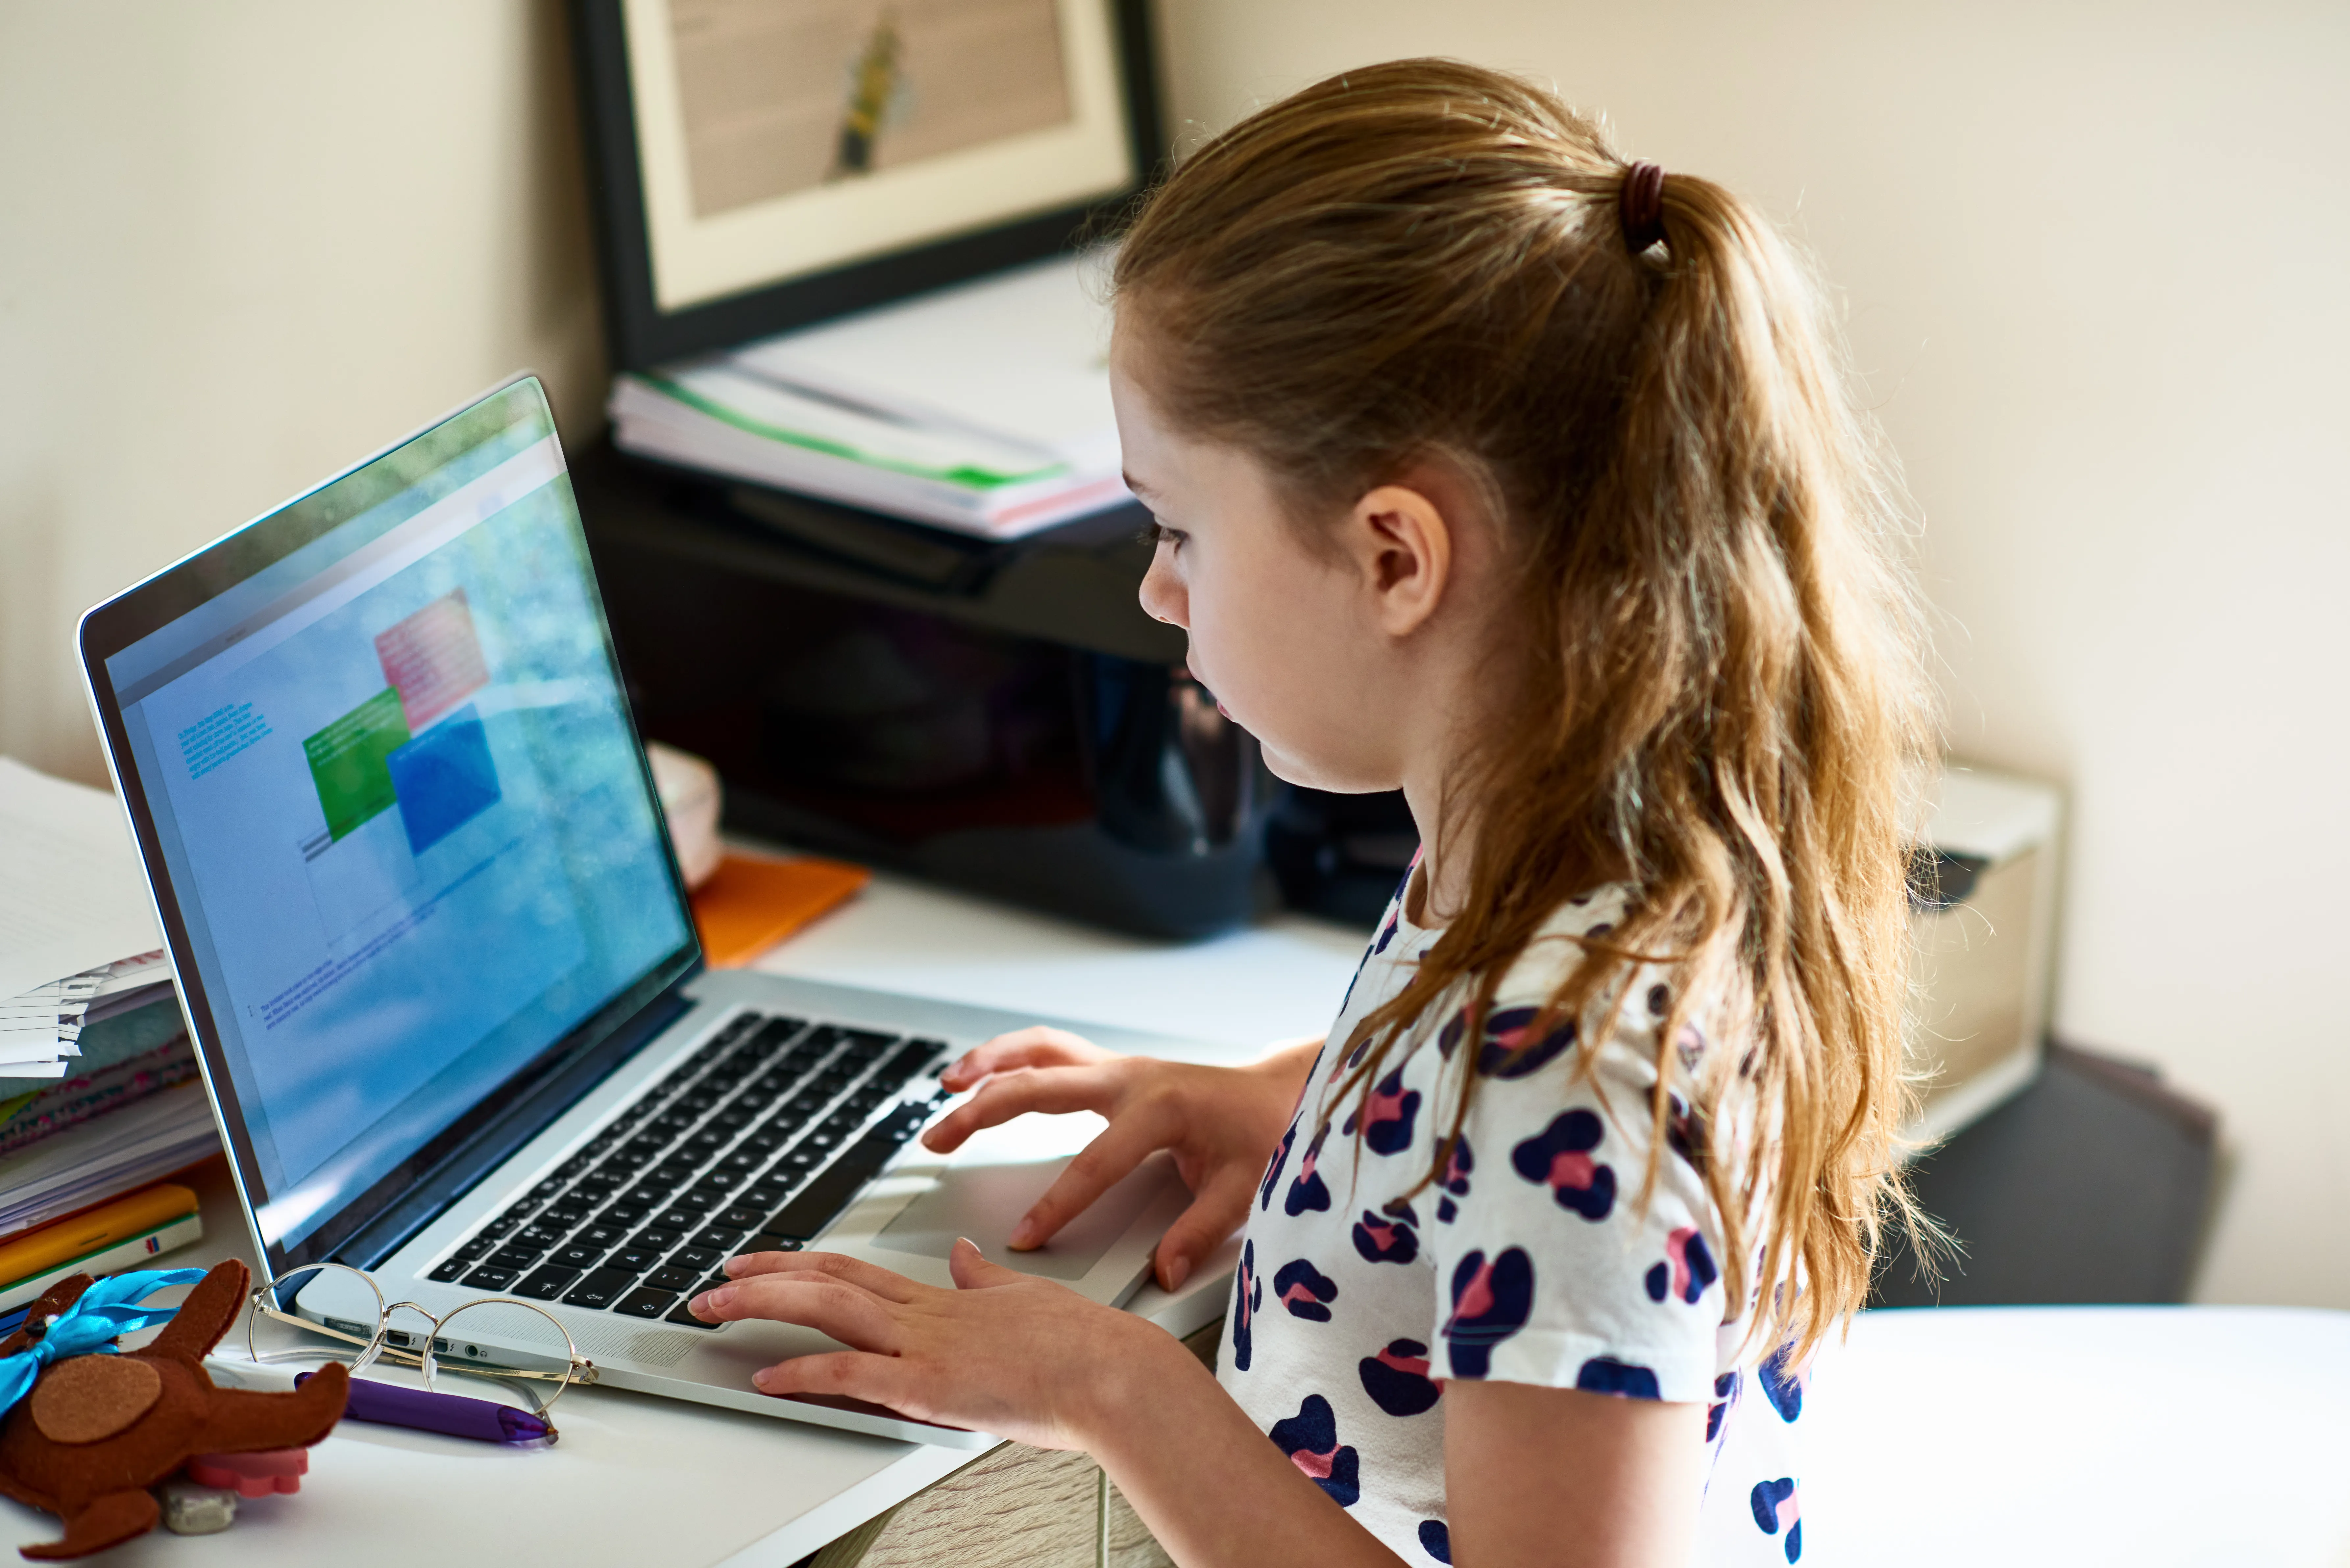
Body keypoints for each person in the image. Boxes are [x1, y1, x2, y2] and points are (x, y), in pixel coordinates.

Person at [688, 57, 1931, 1568]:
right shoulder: (1540, 857)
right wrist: (1286, 1103)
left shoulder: (1577, 1061)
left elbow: (1547, 1148)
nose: (1156, 592)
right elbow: (1469, 1126)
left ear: (1395, 557)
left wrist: (1110, 1383)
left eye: (1177, 528)